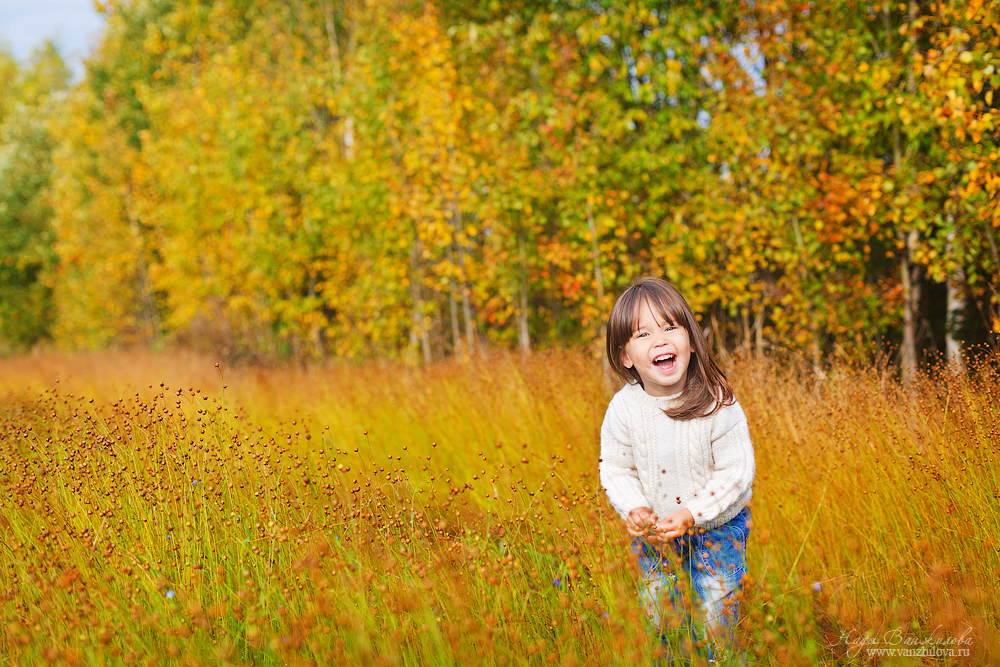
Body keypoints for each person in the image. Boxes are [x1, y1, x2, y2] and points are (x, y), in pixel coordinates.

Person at [598, 276, 755, 664]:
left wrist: (692, 513)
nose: (661, 340)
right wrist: (634, 507)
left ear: (690, 338)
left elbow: (736, 473)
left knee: (716, 616)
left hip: (717, 533)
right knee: (662, 619)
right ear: (625, 357)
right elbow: (616, 469)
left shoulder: (718, 401)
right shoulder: (624, 408)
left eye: (671, 327)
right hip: (657, 537)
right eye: (644, 334)